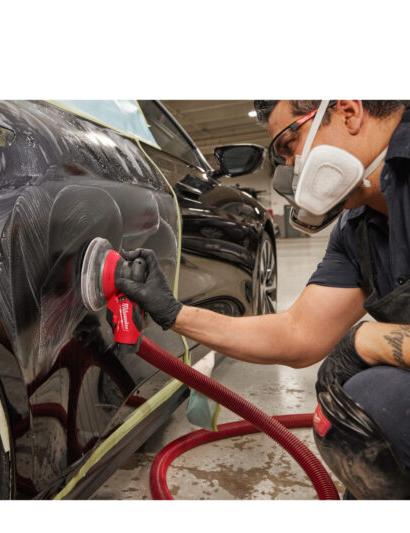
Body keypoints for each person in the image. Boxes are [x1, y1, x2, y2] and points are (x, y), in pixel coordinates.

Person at [116, 100, 410, 499]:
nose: (288, 167)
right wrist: (173, 312)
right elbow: (298, 332)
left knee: (376, 402)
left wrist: (367, 341)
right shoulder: (358, 227)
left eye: (289, 144)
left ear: (348, 112)